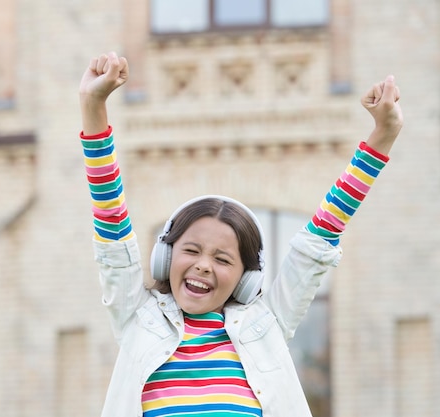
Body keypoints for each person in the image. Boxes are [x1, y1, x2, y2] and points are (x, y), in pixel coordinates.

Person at [79, 52, 403, 417]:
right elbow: (111, 226)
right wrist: (93, 105)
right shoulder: (138, 318)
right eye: (192, 250)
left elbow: (320, 238)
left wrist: (382, 137)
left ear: (246, 277)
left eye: (222, 259)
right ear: (165, 256)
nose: (203, 266)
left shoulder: (266, 324)